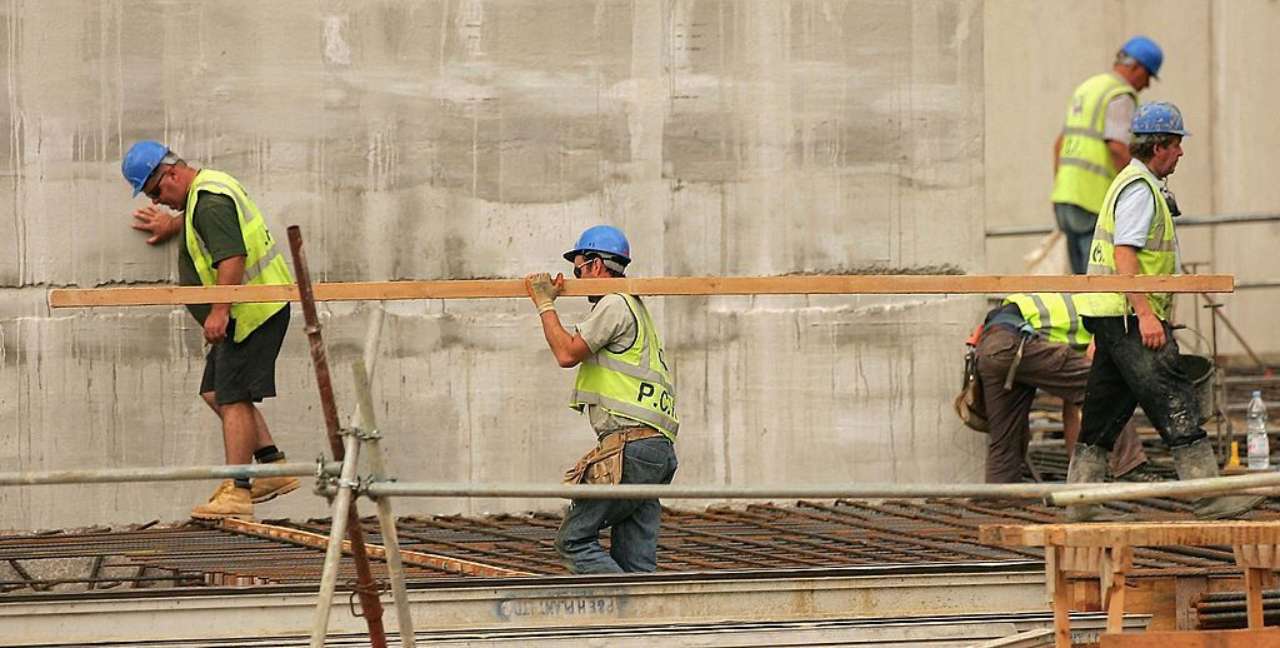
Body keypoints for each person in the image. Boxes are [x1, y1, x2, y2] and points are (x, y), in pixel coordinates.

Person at [1069, 102, 1261, 521]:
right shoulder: (1140, 190)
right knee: (1175, 398)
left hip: (1111, 315)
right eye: (1176, 144)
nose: (1181, 153)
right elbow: (1125, 254)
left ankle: (1080, 502)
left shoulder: (1133, 182)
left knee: (1104, 408)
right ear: (1158, 146)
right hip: (1129, 314)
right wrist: (1145, 314)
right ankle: (1208, 495)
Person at [122, 140, 298, 520]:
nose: (159, 199)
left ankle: (238, 490)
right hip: (251, 309)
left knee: (233, 397)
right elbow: (208, 226)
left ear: (169, 173)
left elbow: (232, 255)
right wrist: (175, 224)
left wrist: (220, 309)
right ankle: (271, 466)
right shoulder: (206, 192)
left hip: (250, 312)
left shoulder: (209, 203)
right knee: (215, 391)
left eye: (155, 191)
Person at [524, 225, 679, 573]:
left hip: (631, 449)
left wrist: (544, 303)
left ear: (595, 265)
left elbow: (566, 354)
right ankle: (640, 622)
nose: (577, 276)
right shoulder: (635, 307)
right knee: (637, 564)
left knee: (573, 541)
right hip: (655, 450)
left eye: (579, 267)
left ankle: (624, 612)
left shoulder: (614, 304)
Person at [976, 292, 1155, 484]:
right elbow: (1096, 386)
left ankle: (1000, 496)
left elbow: (1073, 405)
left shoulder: (1086, 300)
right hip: (1018, 342)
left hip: (989, 347)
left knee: (1005, 437)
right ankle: (1130, 465)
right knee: (1107, 391)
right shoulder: (1113, 317)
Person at [1052, 36, 1163, 274]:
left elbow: (1059, 145)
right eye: (1148, 76)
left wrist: (1061, 187)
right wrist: (1137, 187)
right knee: (1097, 279)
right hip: (1092, 200)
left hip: (1065, 197)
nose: (1146, 85)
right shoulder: (1119, 94)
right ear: (1137, 67)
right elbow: (1117, 147)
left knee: (1080, 281)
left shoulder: (1088, 88)